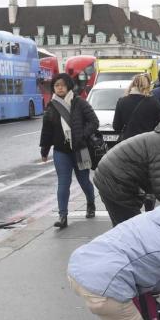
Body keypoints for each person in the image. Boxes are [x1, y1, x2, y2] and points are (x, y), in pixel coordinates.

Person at [39, 73, 98, 229]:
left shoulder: (79, 102)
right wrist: (44, 150)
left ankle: (91, 203)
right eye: (56, 85)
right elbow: (47, 129)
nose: (59, 88)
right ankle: (63, 216)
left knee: (84, 181)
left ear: (68, 86)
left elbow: (94, 122)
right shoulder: (51, 105)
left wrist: (82, 136)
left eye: (62, 85)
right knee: (63, 183)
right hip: (61, 151)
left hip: (80, 149)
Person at [112, 73, 158, 138]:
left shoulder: (122, 101)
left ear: (133, 85)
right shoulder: (154, 102)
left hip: (128, 142)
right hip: (148, 141)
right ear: (148, 86)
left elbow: (116, 127)